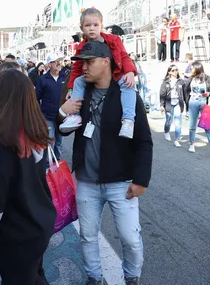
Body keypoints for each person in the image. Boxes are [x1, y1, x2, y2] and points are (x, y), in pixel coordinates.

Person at [58, 41, 153, 285]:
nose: (83, 68)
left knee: (130, 238)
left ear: (106, 62)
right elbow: (64, 128)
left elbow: (144, 140)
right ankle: (94, 277)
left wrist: (141, 180)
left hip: (120, 181)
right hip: (86, 180)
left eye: (89, 62)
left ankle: (132, 277)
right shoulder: (80, 92)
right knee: (88, 236)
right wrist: (62, 111)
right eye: (81, 63)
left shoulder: (127, 95)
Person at [0, 70, 55, 284]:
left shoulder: (0, 148)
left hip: (17, 234)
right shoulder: (36, 136)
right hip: (39, 224)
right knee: (35, 275)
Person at [61, 7, 138, 139]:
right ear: (82, 28)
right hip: (95, 82)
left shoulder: (113, 40)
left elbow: (124, 56)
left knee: (128, 85)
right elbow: (77, 68)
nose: (92, 28)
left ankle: (128, 121)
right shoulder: (81, 47)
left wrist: (130, 72)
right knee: (79, 81)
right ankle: (74, 116)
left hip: (116, 74)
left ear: (101, 26)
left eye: (95, 25)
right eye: (87, 25)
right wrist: (70, 89)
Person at [35, 54, 66, 161]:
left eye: (59, 61)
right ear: (49, 64)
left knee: (59, 143)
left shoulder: (65, 77)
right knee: (49, 143)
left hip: (62, 117)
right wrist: (39, 113)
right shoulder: (43, 79)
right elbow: (36, 97)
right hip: (47, 117)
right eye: (54, 61)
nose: (58, 63)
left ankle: (58, 166)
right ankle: (48, 167)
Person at [184, 61, 210, 156]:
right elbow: (186, 91)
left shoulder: (208, 79)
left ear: (197, 68)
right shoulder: (190, 79)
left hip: (204, 103)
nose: (191, 70)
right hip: (193, 102)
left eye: (192, 69)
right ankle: (192, 144)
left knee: (208, 126)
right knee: (192, 125)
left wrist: (209, 94)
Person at [159, 65, 184, 148]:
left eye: (176, 70)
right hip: (169, 103)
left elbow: (185, 92)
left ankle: (177, 139)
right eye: (173, 70)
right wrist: (162, 105)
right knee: (169, 120)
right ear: (169, 72)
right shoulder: (166, 82)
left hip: (177, 102)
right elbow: (162, 94)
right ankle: (166, 131)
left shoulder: (180, 81)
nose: (175, 71)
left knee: (178, 122)